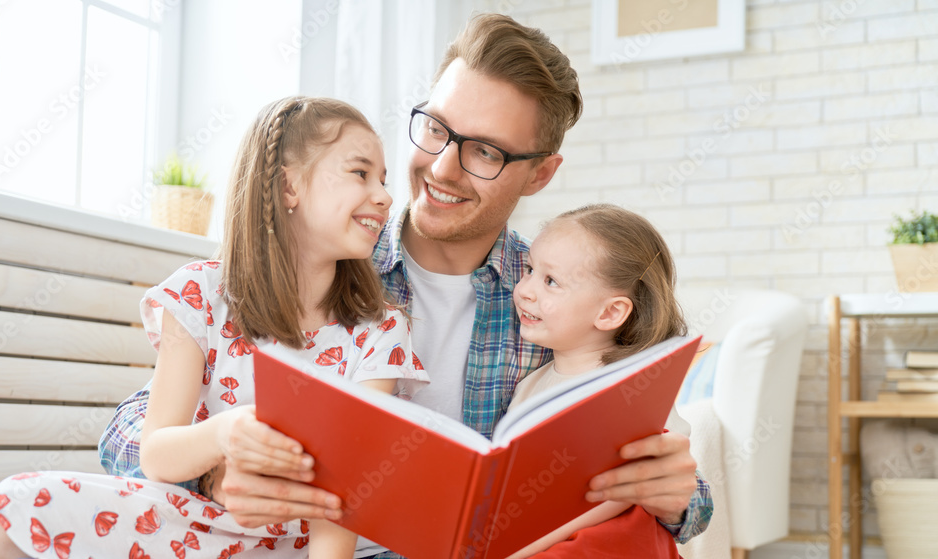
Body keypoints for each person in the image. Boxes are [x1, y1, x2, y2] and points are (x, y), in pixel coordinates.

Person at [99, 13, 713, 558]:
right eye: (437, 129)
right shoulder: (324, 259)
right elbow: (129, 432)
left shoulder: (554, 298)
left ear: (541, 175)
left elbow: (685, 491)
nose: (442, 167)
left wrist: (676, 496)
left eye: (486, 153)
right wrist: (212, 470)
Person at [0, 96, 429, 559]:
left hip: (304, 544)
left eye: (384, 180)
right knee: (9, 513)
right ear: (289, 186)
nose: (385, 196)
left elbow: (343, 498)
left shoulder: (382, 328)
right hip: (198, 520)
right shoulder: (199, 293)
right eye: (360, 173)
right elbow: (155, 453)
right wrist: (222, 435)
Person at [505, 203, 688, 558]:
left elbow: (619, 494)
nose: (525, 290)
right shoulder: (530, 385)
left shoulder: (633, 391)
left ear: (610, 312)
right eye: (529, 270)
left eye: (551, 281)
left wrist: (513, 548)